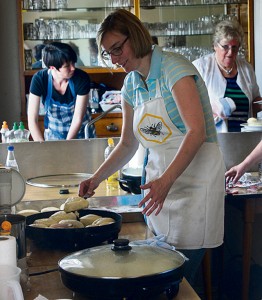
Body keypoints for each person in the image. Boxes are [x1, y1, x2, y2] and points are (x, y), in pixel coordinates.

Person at [78, 9, 225, 286]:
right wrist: (94, 178)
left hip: (195, 187)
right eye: (109, 53)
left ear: (135, 37)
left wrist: (165, 181)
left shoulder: (174, 68)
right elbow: (127, 144)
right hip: (160, 192)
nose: (115, 59)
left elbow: (196, 132)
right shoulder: (130, 86)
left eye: (118, 48)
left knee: (178, 281)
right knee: (162, 277)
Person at [193, 19, 262, 132]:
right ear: (215, 45)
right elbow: (189, 106)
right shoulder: (201, 67)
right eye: (225, 47)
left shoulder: (246, 68)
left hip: (245, 138)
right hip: (213, 137)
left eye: (234, 47)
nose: (230, 52)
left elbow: (254, 102)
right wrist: (213, 109)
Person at [27, 42, 95, 141]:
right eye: (67, 66)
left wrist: (67, 145)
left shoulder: (81, 78)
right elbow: (32, 120)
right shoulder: (40, 79)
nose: (73, 68)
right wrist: (41, 146)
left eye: (73, 62)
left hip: (82, 134)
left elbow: (77, 120)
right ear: (52, 67)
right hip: (54, 135)